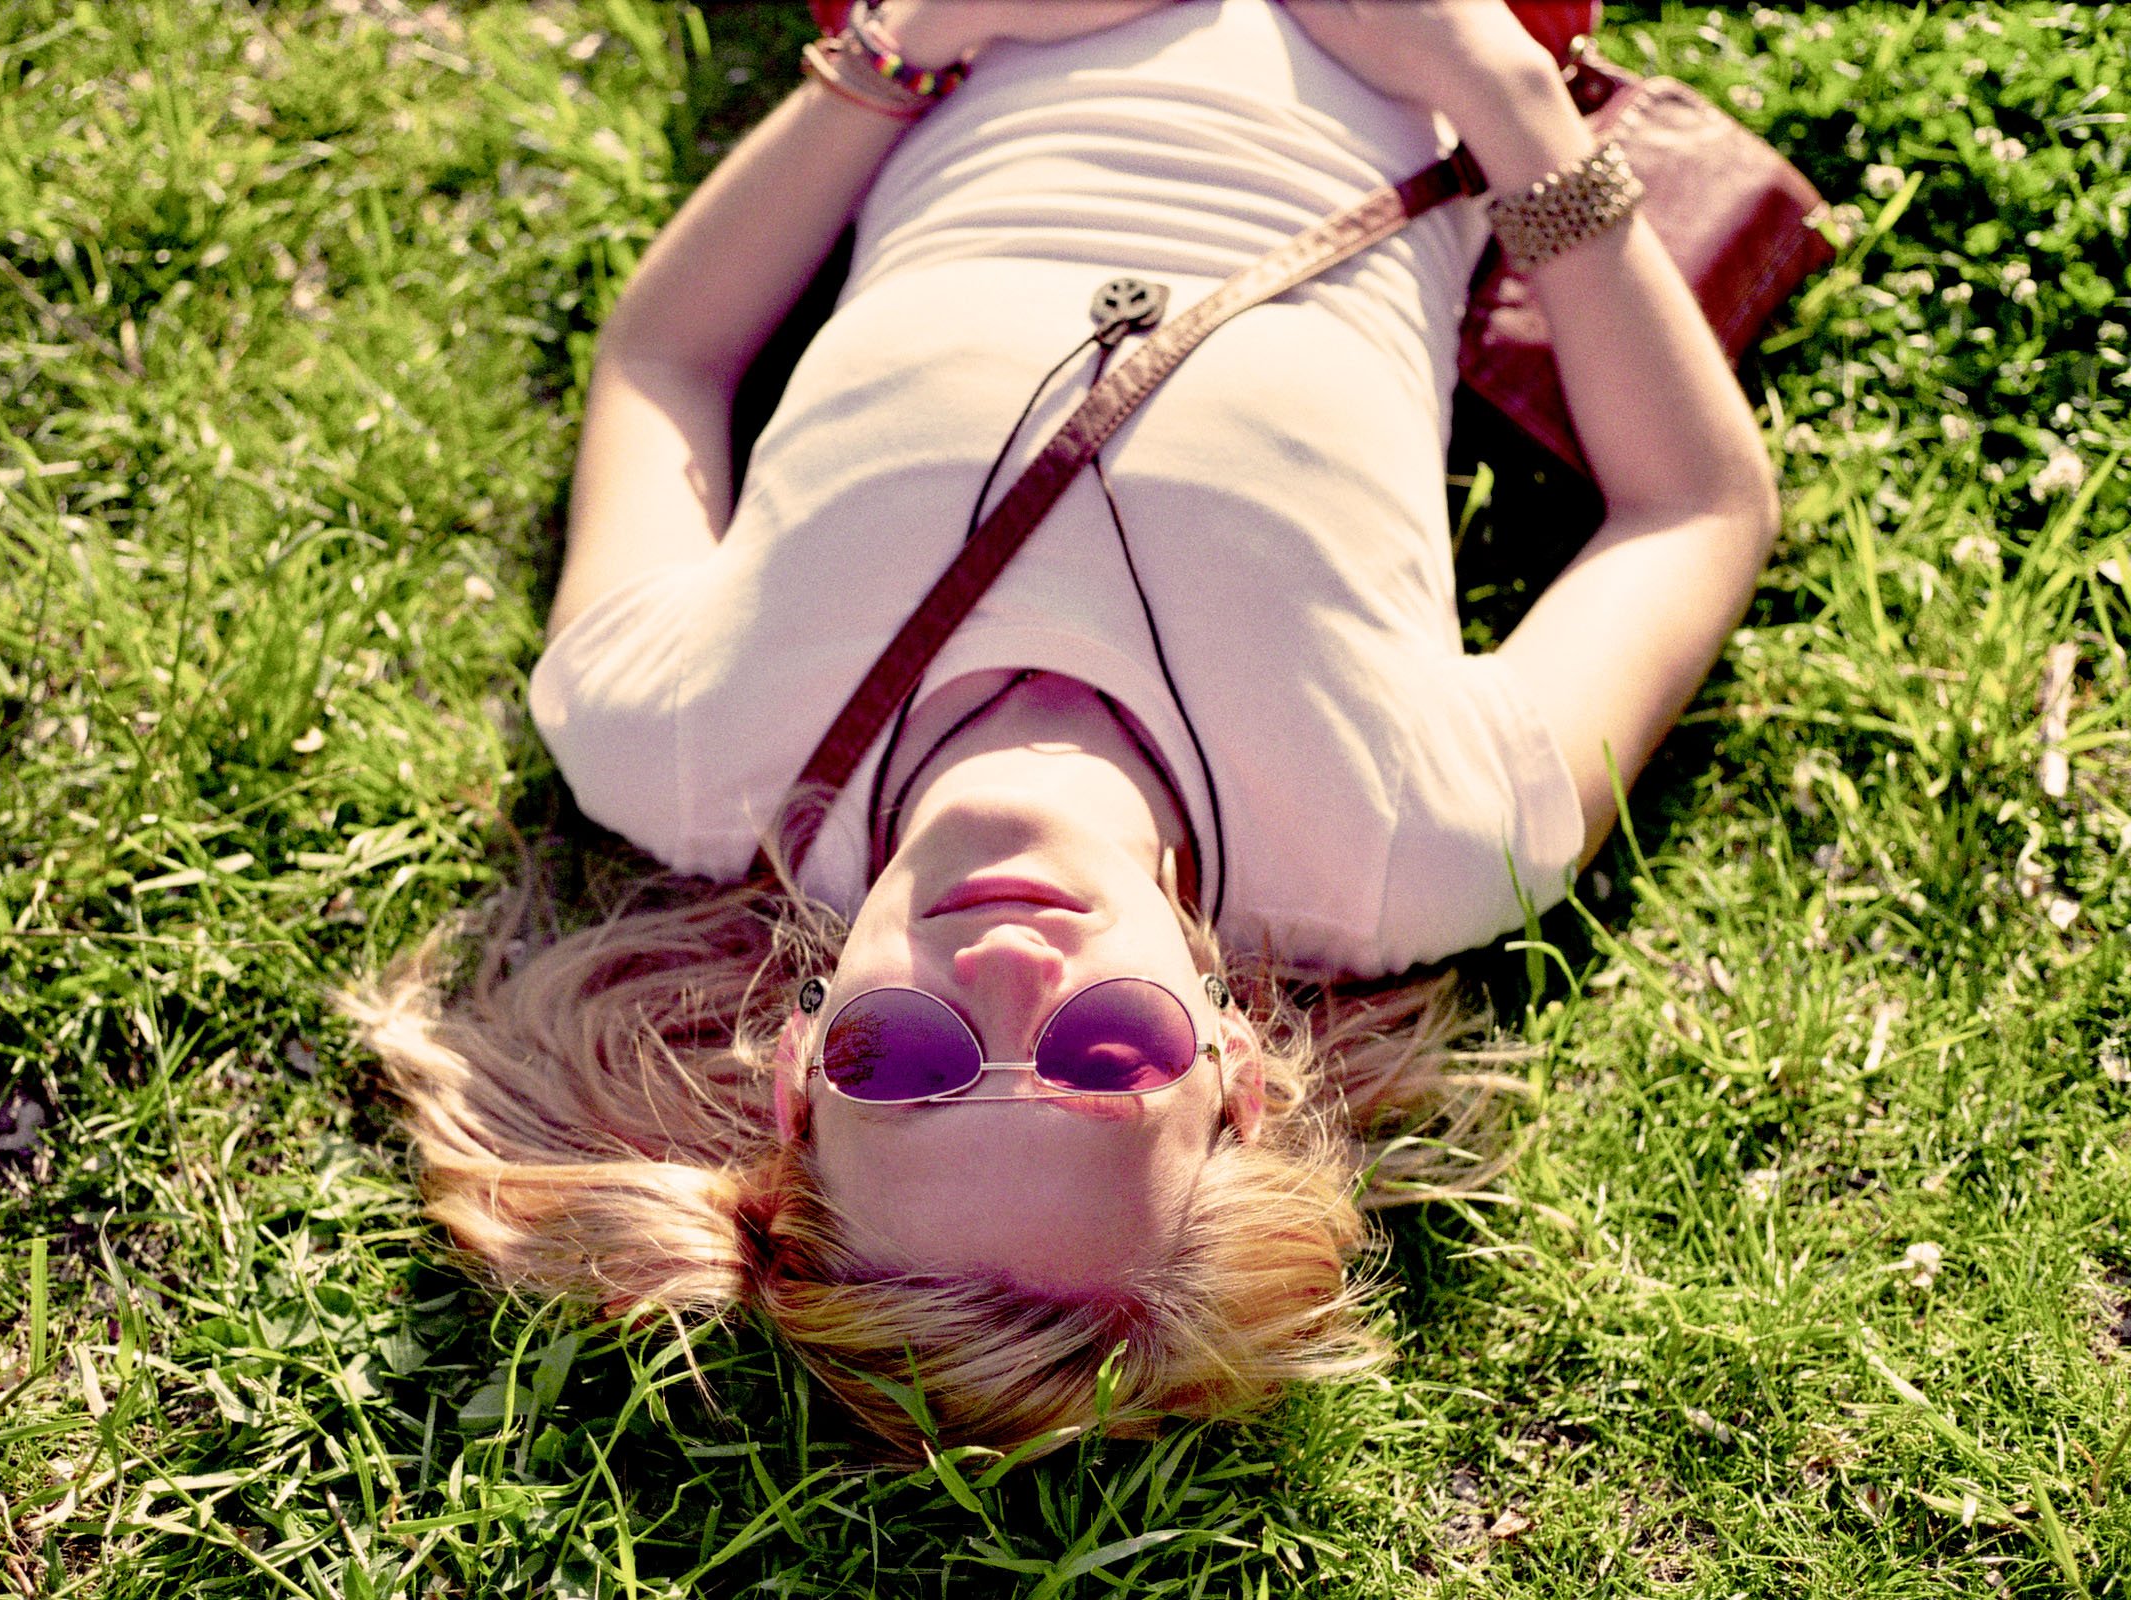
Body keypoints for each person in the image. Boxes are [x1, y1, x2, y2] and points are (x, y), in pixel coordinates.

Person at [350, 0, 1780, 1455]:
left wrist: (910, 48)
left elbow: (662, 360)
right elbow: (1696, 510)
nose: (1013, 973)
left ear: (798, 1069)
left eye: (902, 1063)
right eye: (1109, 1058)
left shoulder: (675, 742)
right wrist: (1500, 88)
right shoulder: (1412, 844)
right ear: (1238, 1064)